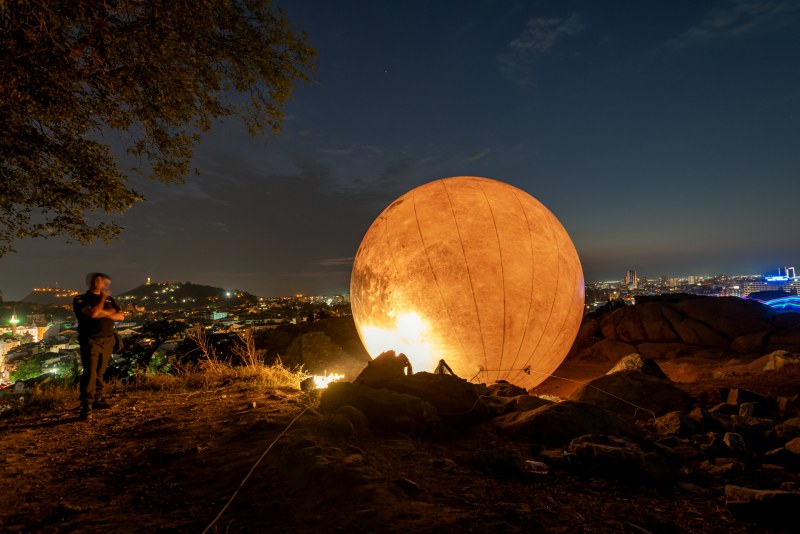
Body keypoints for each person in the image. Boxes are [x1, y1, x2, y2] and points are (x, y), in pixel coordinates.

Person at [72, 272, 124, 420]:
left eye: (103, 282)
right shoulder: (80, 299)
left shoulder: (110, 299)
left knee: (100, 371)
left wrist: (103, 312)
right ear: (93, 282)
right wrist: (103, 303)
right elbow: (93, 314)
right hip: (91, 340)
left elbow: (121, 316)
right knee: (90, 372)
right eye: (102, 282)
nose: (103, 285)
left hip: (108, 340)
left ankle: (98, 398)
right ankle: (86, 406)